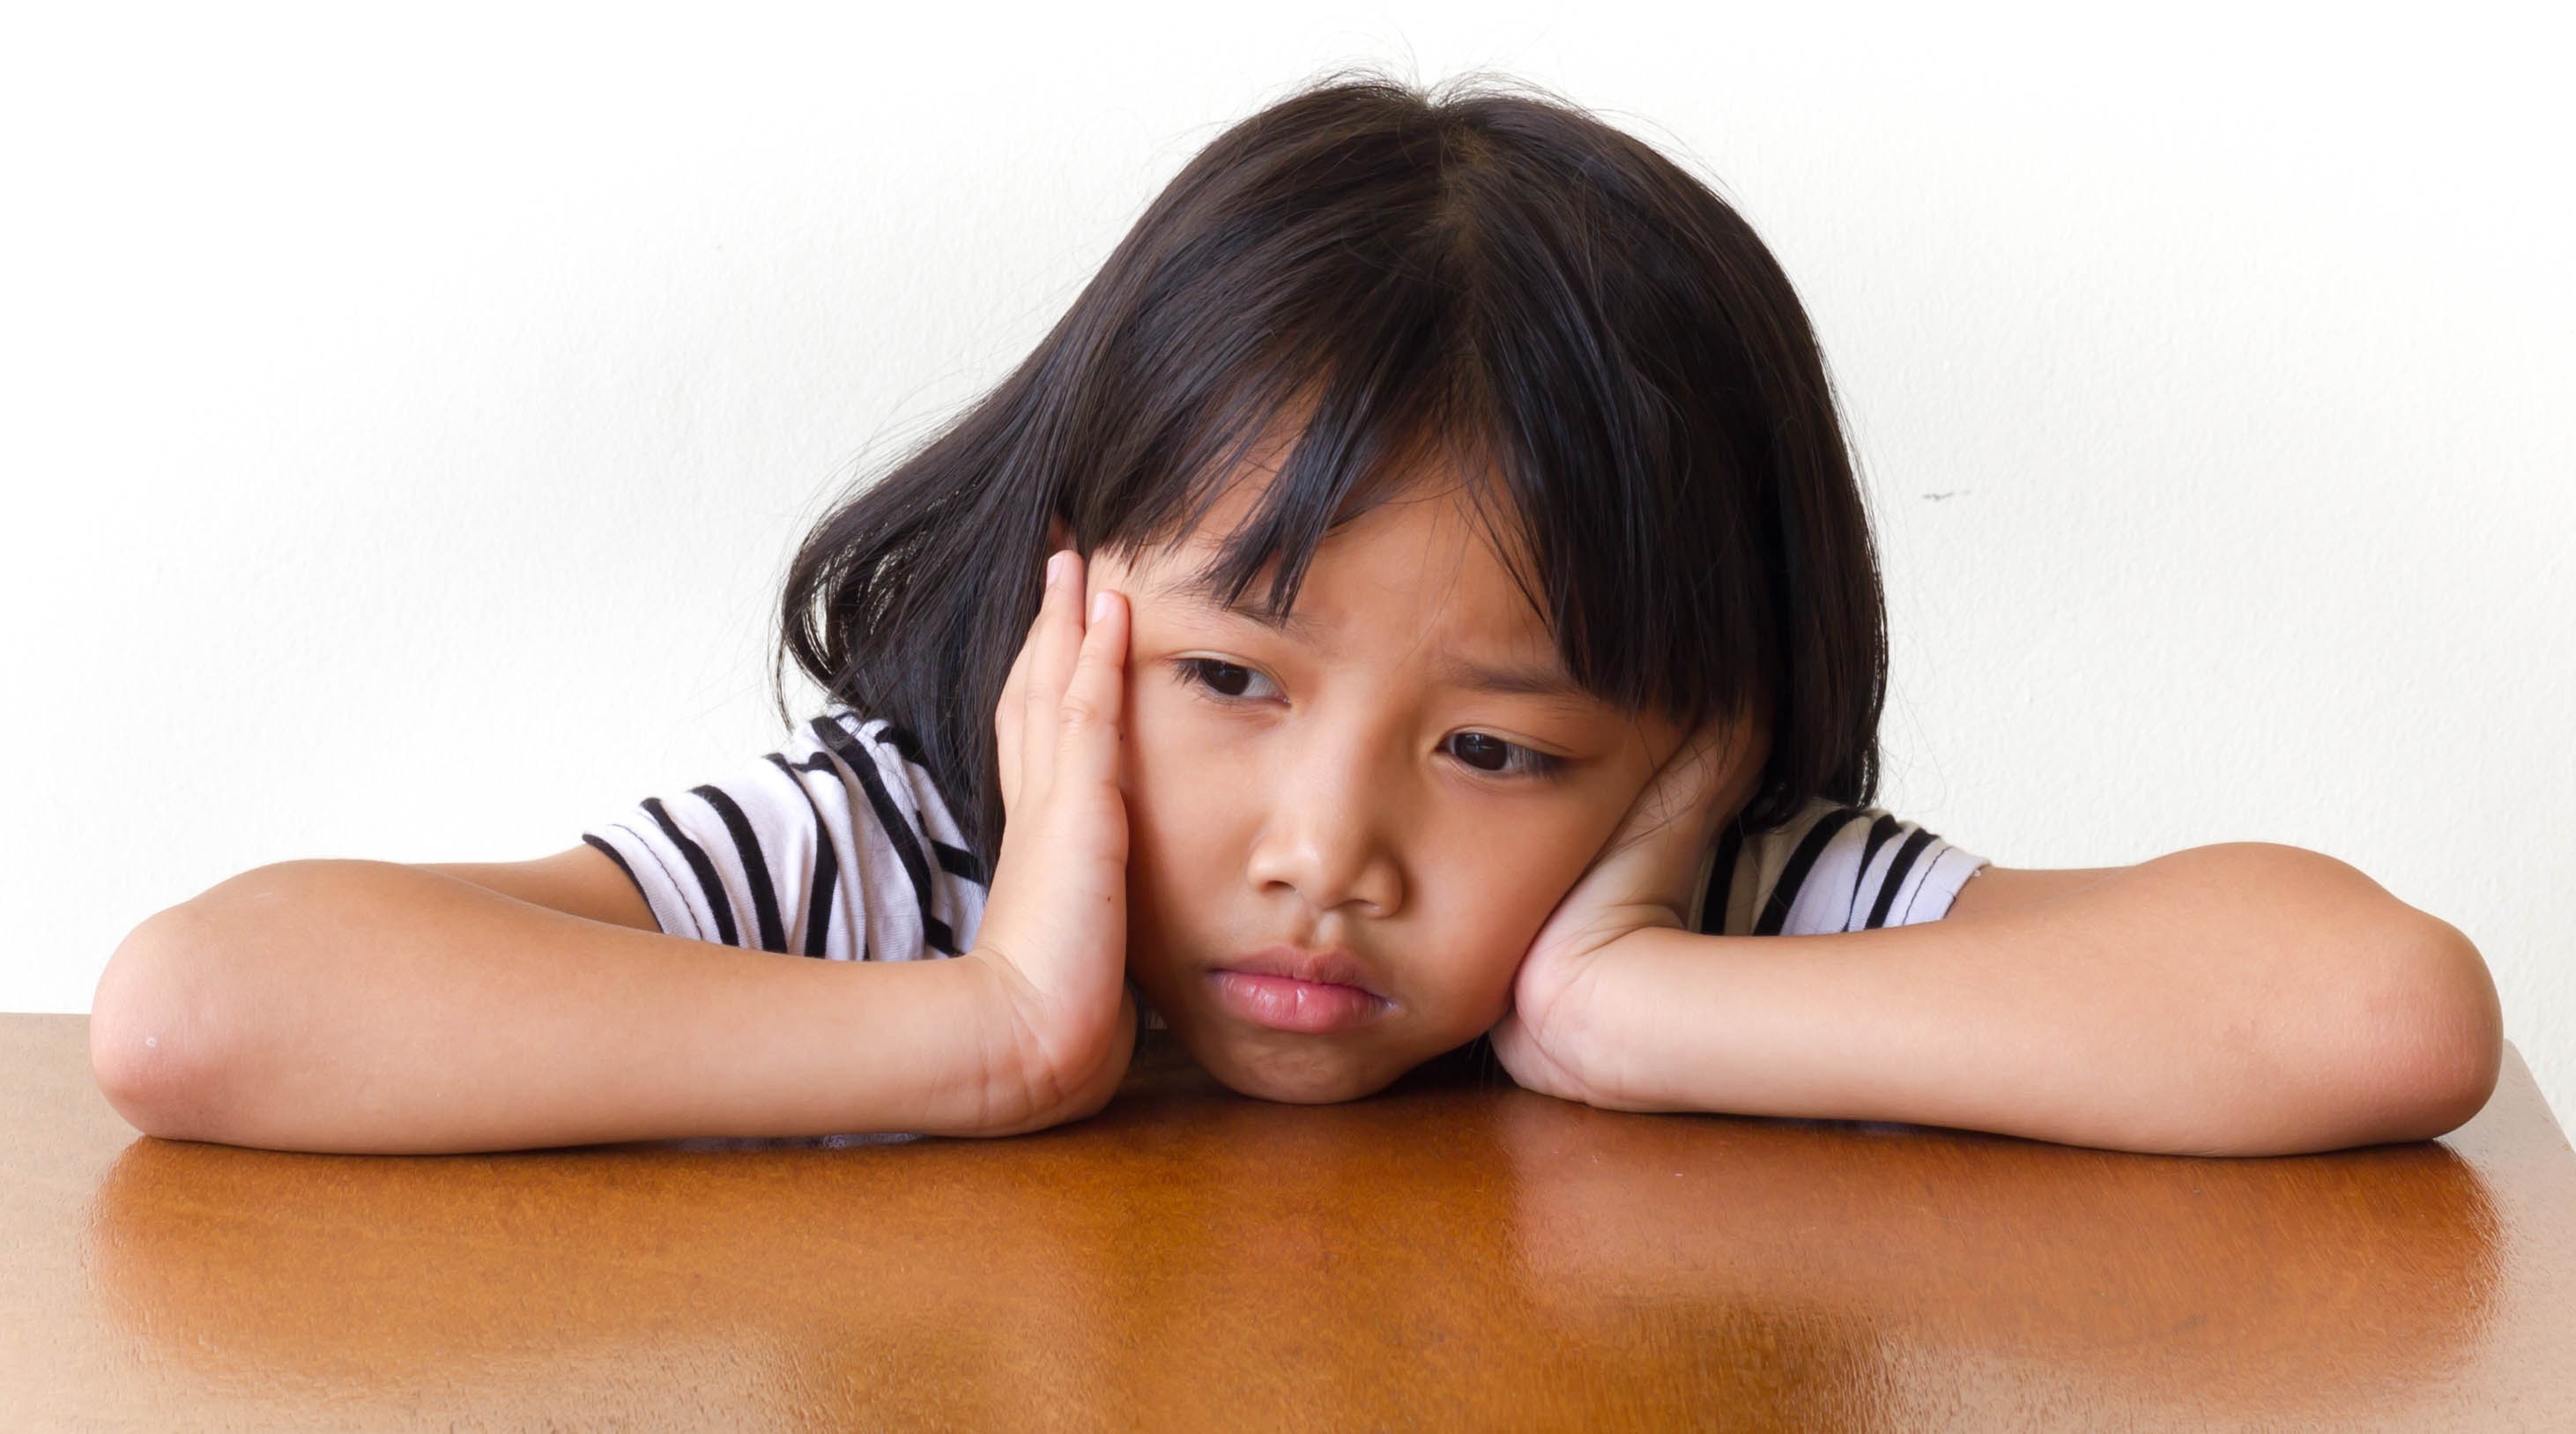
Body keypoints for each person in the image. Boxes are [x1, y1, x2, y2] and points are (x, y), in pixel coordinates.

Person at [88, 75, 2502, 1157]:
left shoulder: (1704, 901)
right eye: (1228, 680)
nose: (1318, 847)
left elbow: (2374, 1012)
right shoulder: (917, 852)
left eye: (1497, 744)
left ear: (1685, 725)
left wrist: (1643, 1001)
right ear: (1067, 593)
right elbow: (204, 1012)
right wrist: (977, 1032)